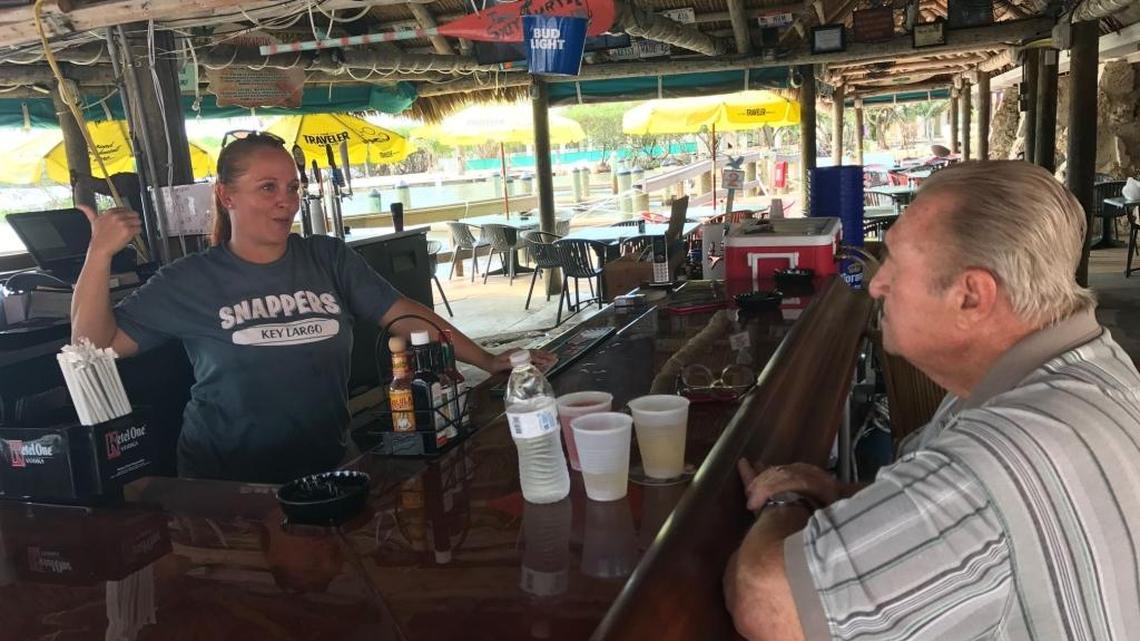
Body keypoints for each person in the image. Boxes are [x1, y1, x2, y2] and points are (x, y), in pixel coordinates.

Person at [724, 160, 1140, 640]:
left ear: (971, 297)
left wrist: (784, 499)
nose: (877, 284)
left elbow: (768, 598)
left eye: (896, 262)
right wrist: (840, 494)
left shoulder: (1002, 453)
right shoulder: (1089, 364)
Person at [71, 132, 553, 483]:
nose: (286, 201)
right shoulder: (190, 279)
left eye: (293, 188)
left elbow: (403, 314)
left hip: (329, 464)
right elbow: (91, 347)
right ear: (226, 195)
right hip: (227, 482)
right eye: (268, 187)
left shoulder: (327, 258)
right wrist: (98, 254)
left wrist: (485, 359)